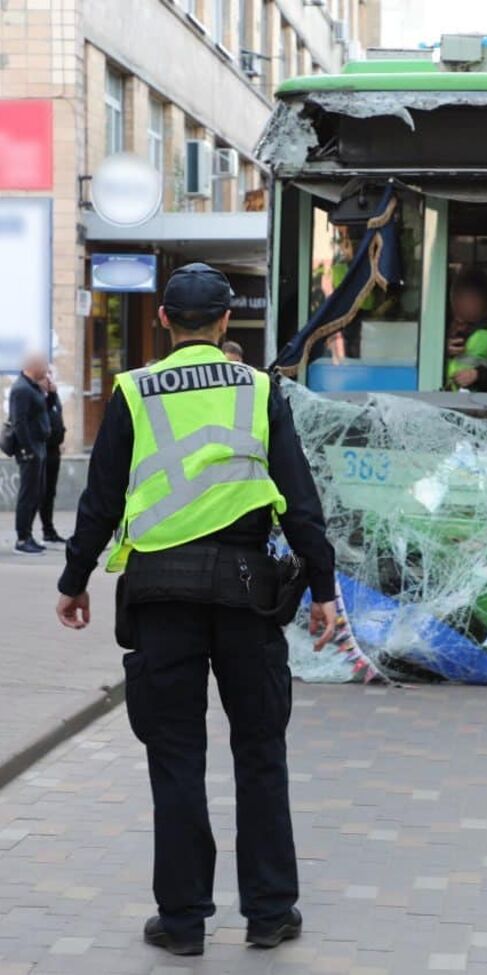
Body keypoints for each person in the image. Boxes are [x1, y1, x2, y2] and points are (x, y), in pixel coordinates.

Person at [54, 263, 338, 957]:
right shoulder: (259, 388)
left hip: (161, 596)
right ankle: (269, 912)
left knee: (176, 755)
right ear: (224, 322)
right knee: (260, 751)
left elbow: (101, 498)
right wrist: (325, 588)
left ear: (163, 321)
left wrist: (74, 578)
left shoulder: (133, 390)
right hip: (247, 594)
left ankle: (182, 922)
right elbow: (299, 498)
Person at [8, 353, 51, 554]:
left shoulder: (33, 387)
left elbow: (41, 413)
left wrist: (50, 393)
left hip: (39, 447)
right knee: (28, 495)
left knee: (37, 493)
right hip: (30, 450)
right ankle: (22, 539)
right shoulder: (21, 389)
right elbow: (19, 422)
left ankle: (29, 535)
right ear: (33, 366)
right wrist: (28, 449)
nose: (46, 370)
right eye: (43, 365)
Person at [38, 372, 66, 544]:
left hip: (54, 451)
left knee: (49, 493)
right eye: (45, 378)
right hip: (42, 451)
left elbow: (57, 419)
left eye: (50, 377)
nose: (49, 381)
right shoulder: (36, 397)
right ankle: (26, 535)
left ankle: (49, 531)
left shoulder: (53, 397)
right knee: (39, 494)